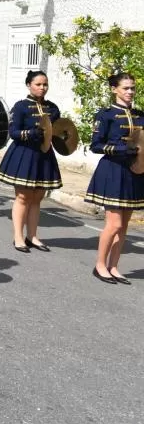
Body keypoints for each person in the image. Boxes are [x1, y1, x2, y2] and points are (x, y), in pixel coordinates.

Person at [85, 73, 144, 285]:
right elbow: (95, 145)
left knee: (124, 224)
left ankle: (114, 266)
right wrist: (120, 149)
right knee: (114, 223)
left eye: (132, 88)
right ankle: (100, 265)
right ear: (114, 89)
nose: (130, 92)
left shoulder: (140, 115)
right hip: (113, 170)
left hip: (134, 172)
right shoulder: (105, 114)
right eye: (126, 88)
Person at [0, 70, 62, 253]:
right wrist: (31, 133)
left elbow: (57, 131)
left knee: (38, 197)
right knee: (23, 197)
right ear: (29, 85)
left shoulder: (53, 108)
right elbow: (13, 132)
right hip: (24, 154)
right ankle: (18, 237)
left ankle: (32, 236)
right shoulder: (20, 107)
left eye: (45, 84)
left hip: (44, 155)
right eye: (38, 84)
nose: (42, 88)